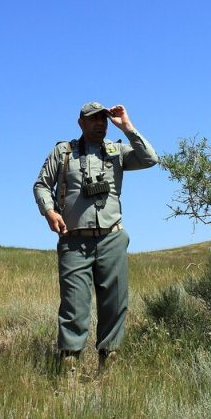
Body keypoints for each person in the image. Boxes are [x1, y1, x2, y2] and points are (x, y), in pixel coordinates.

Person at [33, 101, 158, 374]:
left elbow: (150, 158)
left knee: (114, 303)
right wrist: (50, 212)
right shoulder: (64, 152)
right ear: (81, 123)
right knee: (74, 304)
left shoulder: (117, 151)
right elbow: (42, 184)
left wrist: (127, 127)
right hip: (74, 240)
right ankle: (69, 367)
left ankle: (108, 366)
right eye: (93, 119)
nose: (100, 124)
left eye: (103, 119)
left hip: (112, 238)